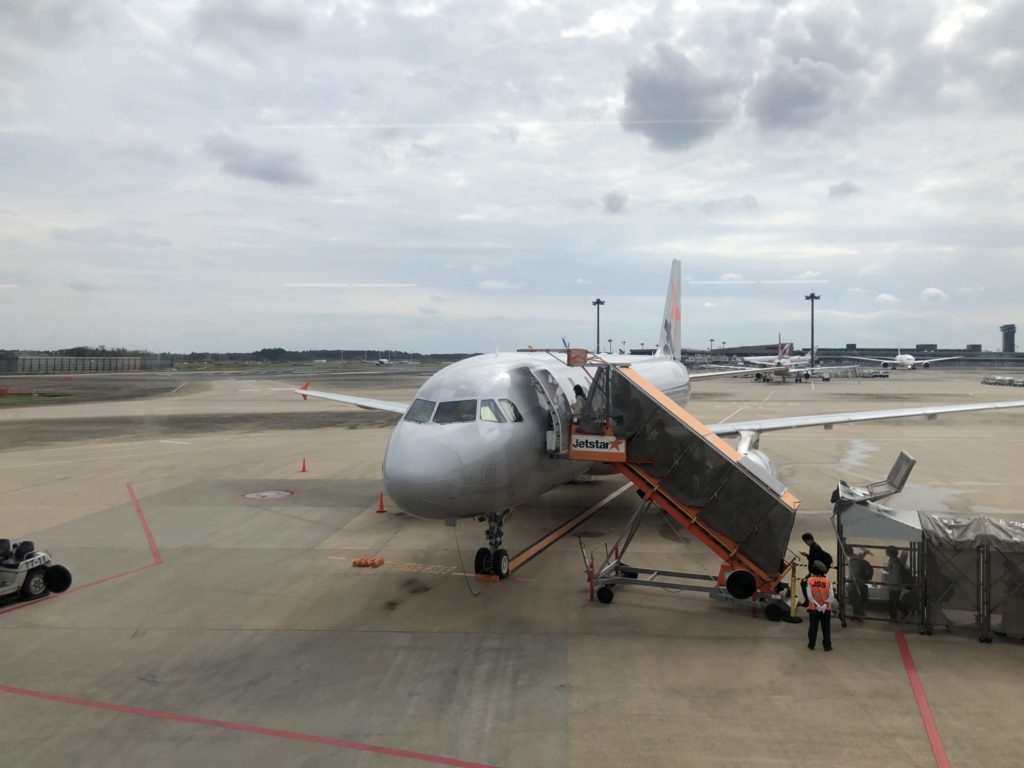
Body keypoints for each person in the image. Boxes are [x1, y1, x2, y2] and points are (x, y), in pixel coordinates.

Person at [806, 560, 834, 652]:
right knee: (826, 628)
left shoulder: (810, 580)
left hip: (814, 609)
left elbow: (809, 596)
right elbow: (831, 596)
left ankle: (811, 644)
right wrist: (824, 606)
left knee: (813, 628)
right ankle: (827, 646)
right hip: (826, 609)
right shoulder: (827, 581)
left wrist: (817, 606)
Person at [799, 532, 833, 606]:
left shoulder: (815, 548)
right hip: (815, 572)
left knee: (803, 583)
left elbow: (815, 560)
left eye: (806, 541)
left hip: (816, 572)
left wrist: (807, 556)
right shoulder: (814, 546)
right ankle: (811, 601)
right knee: (809, 585)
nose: (806, 543)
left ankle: (808, 602)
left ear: (810, 539)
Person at [886, 546, 903, 621]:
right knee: (893, 601)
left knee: (894, 601)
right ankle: (893, 616)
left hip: (894, 584)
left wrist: (893, 584)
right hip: (893, 583)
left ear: (890, 553)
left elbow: (895, 574)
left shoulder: (895, 562)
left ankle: (894, 617)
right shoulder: (894, 560)